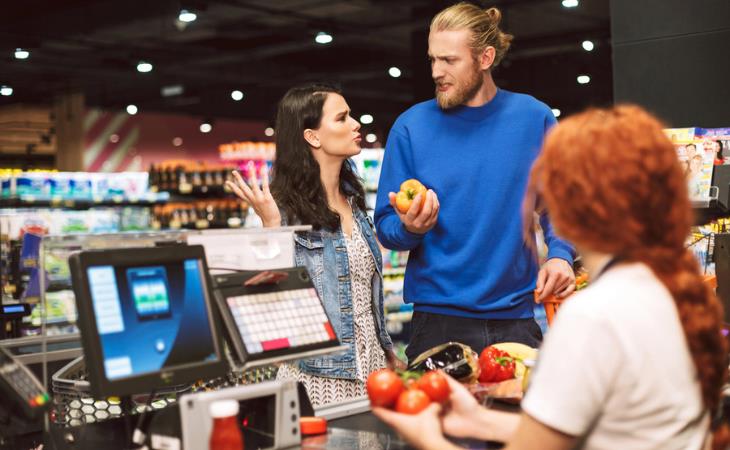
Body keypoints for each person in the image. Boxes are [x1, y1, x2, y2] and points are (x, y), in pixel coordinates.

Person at [373, 105, 729, 450]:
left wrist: (426, 438)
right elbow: (603, 431)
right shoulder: (668, 292)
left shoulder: (592, 316)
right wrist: (477, 421)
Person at [374, 2, 575, 362]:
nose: (436, 72)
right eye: (433, 59)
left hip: (516, 319)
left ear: (485, 58)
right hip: (436, 322)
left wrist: (561, 257)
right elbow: (387, 227)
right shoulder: (410, 127)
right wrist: (410, 228)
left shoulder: (533, 118)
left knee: (520, 419)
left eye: (449, 61)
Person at [227, 83, 404, 407]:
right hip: (318, 381)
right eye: (342, 118)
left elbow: (363, 296)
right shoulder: (277, 210)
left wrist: (385, 349)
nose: (356, 124)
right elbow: (261, 308)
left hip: (375, 375)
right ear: (312, 136)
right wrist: (271, 228)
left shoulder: (354, 203)